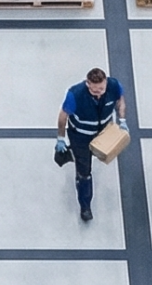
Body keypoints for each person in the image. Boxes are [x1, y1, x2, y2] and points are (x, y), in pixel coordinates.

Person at [53, 67, 127, 223]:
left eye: (101, 89)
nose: (99, 93)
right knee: (85, 173)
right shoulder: (75, 94)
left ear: (106, 82)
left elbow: (120, 100)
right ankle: (85, 206)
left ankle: (70, 155)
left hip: (102, 133)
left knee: (97, 154)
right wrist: (61, 137)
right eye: (94, 91)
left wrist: (122, 120)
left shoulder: (114, 86)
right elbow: (63, 116)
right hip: (80, 136)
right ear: (88, 84)